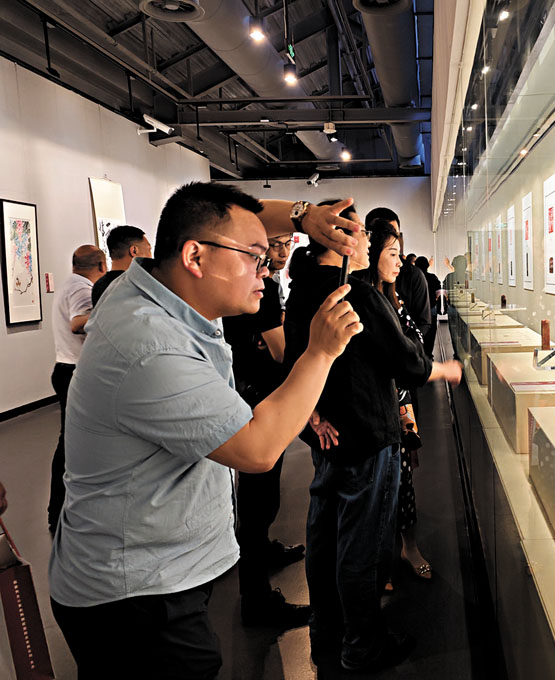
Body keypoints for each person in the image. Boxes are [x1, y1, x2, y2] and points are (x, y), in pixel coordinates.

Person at [48, 182, 363, 680]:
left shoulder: (151, 292)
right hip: (135, 599)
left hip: (147, 579)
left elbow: (224, 217)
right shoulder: (150, 343)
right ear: (194, 256)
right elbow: (257, 448)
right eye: (255, 256)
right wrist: (321, 351)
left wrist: (303, 217)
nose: (267, 269)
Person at [284, 202, 462, 673]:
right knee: (361, 547)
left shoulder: (304, 288)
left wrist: (313, 417)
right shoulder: (357, 293)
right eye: (362, 233)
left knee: (325, 540)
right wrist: (443, 370)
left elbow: (294, 361)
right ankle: (362, 644)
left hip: (328, 437)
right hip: (367, 432)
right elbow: (406, 360)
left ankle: (326, 631)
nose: (366, 240)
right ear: (341, 239)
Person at [223, 230, 308, 628]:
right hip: (257, 397)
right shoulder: (265, 289)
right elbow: (280, 350)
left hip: (250, 392)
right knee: (259, 493)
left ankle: (262, 557)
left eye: (286, 243)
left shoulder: (264, 288)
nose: (281, 251)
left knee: (262, 494)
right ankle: (255, 599)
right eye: (273, 244)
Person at [362, 223, 433, 584]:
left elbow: (416, 341)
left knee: (403, 481)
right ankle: (384, 556)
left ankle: (409, 547)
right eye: (392, 253)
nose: (400, 262)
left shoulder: (394, 299)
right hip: (373, 407)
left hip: (399, 403)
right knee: (377, 490)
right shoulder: (363, 299)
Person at [47, 245, 107, 533]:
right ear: (102, 265)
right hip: (73, 372)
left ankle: (61, 509)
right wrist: (112, 313)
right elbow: (77, 324)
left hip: (65, 369)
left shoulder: (68, 284)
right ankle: (61, 510)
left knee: (71, 442)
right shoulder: (82, 288)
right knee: (73, 444)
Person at [364, 207, 430, 345]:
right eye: (393, 254)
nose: (399, 263)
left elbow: (422, 324)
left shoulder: (400, 284)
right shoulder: (363, 295)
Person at [91, 225, 152, 305]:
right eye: (149, 250)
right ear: (134, 251)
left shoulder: (98, 286)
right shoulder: (136, 285)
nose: (151, 256)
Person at [414, 256, 441, 359]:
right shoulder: (432, 277)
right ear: (427, 266)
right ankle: (428, 354)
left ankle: (420, 353)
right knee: (431, 332)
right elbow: (438, 292)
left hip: (417, 310)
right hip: (431, 308)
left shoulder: (414, 278)